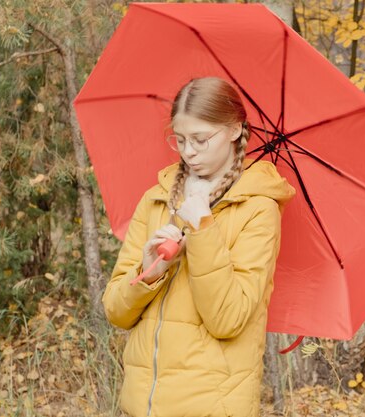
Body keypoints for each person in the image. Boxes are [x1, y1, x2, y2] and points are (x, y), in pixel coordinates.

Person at [101, 76, 296, 417]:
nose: (189, 152)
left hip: (212, 407)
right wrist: (149, 273)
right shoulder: (156, 200)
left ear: (235, 130)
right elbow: (116, 312)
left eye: (201, 140)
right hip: (141, 407)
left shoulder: (257, 209)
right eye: (180, 140)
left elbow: (227, 319)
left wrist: (203, 227)